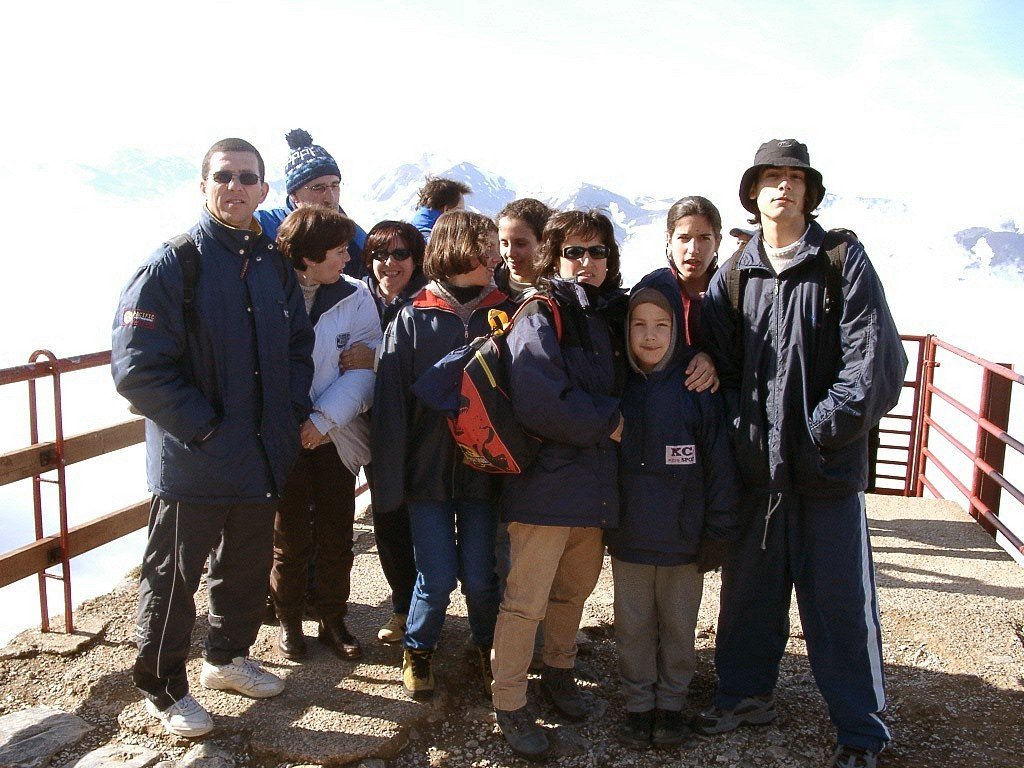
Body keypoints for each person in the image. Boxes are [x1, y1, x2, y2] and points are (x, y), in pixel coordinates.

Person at [697, 139, 908, 768]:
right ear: (754, 193)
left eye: (794, 177)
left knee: (841, 604)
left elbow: (876, 360)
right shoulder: (737, 273)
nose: (783, 187)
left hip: (826, 473)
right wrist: (745, 432)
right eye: (771, 178)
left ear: (809, 192)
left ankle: (861, 731)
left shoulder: (842, 259)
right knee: (747, 600)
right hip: (759, 474)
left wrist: (820, 430)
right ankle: (743, 696)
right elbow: (721, 364)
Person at [111, 137, 315, 738]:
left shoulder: (273, 263)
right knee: (173, 577)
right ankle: (163, 687)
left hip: (260, 453)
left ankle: (226, 657)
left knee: (245, 567)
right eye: (223, 177)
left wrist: (288, 409)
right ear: (203, 186)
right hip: (194, 460)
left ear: (264, 190)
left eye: (246, 178)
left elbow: (298, 347)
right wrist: (205, 428)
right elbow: (136, 369)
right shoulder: (175, 264)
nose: (235, 187)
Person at [490, 210, 627, 761]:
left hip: (590, 487)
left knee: (574, 590)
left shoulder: (600, 315)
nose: (586, 262)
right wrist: (609, 422)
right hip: (546, 487)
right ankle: (510, 700)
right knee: (525, 601)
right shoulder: (541, 314)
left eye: (596, 252)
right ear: (553, 258)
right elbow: (540, 398)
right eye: (575, 252)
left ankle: (560, 671)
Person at [372, 210, 512, 700]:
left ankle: (486, 646)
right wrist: (388, 481)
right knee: (436, 575)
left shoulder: (507, 310)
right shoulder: (414, 317)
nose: (496, 257)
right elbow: (389, 407)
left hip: (484, 473)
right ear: (456, 251)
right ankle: (418, 651)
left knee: (479, 572)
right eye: (485, 247)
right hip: (425, 474)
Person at [605, 286, 739, 750]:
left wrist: (718, 529)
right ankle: (639, 705)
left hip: (685, 539)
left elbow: (720, 464)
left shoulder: (696, 387)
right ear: (626, 331)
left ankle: (672, 705)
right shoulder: (616, 386)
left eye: (661, 325)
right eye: (639, 325)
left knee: (680, 627)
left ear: (678, 331)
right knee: (633, 626)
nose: (649, 336)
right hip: (630, 538)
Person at [270, 207, 382, 663]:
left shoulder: (355, 296)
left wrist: (320, 422)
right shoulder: (268, 293)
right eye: (337, 250)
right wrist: (292, 425)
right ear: (309, 256)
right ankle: (288, 621)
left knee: (337, 533)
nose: (346, 258)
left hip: (334, 434)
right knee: (289, 537)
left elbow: (365, 366)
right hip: (281, 435)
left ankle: (334, 620)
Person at [360, 220, 428, 645]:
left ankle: (426, 605)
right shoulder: (354, 299)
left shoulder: (427, 302)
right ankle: (403, 606)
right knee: (388, 518)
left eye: (400, 254)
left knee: (423, 519)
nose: (389, 263)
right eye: (380, 255)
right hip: (370, 432)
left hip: (421, 431)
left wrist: (373, 360)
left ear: (416, 259)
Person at [633, 195, 725, 395]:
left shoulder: (730, 293)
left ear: (718, 241)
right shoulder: (652, 290)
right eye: (684, 238)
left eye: (704, 238)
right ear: (669, 239)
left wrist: (713, 360)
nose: (694, 250)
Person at [256, 129, 368, 279]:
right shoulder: (264, 226)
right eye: (318, 188)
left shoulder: (355, 238)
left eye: (334, 186)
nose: (330, 197)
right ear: (294, 195)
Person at [495, 198, 554, 302]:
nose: (510, 253)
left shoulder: (557, 294)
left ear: (544, 243)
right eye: (504, 243)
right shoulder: (490, 285)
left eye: (520, 244)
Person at [411, 177, 471, 241]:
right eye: (460, 210)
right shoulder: (433, 242)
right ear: (447, 210)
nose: (463, 216)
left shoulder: (412, 233)